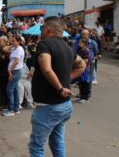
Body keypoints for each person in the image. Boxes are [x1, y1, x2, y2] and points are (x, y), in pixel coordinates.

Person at [28, 16, 86, 157]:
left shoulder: (44, 45)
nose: (41, 31)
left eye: (42, 28)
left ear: (48, 29)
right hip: (64, 106)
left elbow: (47, 69)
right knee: (56, 141)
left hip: (49, 106)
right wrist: (64, 80)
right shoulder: (67, 48)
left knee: (36, 146)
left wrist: (60, 87)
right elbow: (82, 65)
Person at [3, 35, 24, 117]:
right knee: (15, 89)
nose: (12, 42)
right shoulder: (15, 48)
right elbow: (4, 49)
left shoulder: (19, 49)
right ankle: (15, 108)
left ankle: (11, 109)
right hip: (15, 71)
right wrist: (12, 44)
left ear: (19, 41)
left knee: (9, 89)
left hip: (16, 71)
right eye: (12, 40)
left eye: (14, 41)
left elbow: (16, 61)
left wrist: (10, 71)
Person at [0, 36, 10, 108]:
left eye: (0, 41)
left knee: (6, 87)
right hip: (0, 71)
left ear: (5, 42)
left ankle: (7, 103)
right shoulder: (0, 49)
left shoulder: (8, 49)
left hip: (6, 71)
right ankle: (2, 103)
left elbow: (5, 59)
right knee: (1, 88)